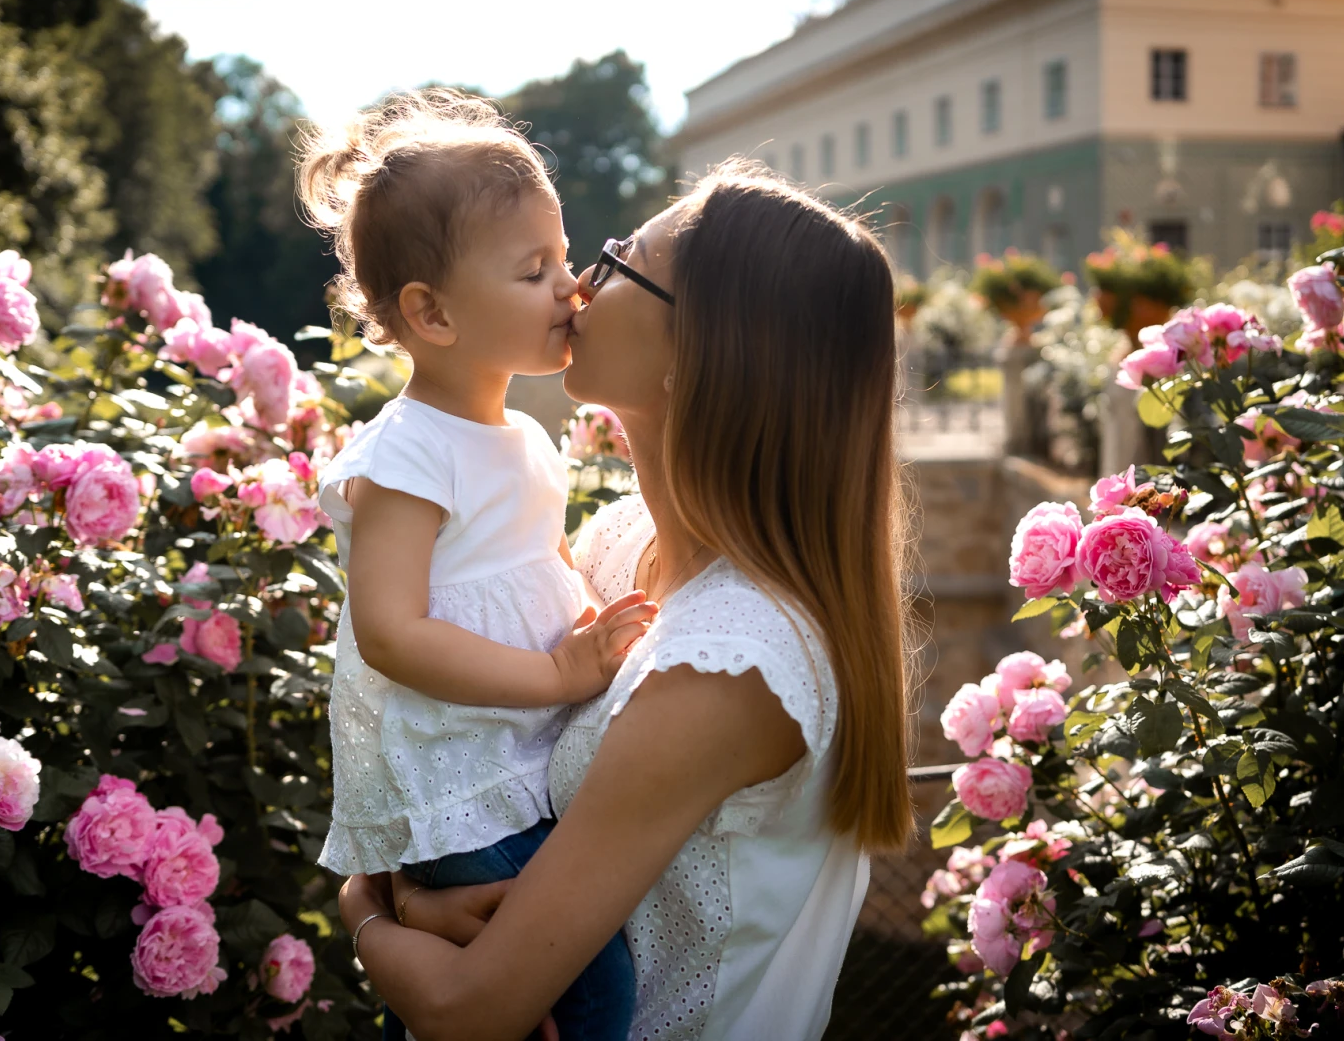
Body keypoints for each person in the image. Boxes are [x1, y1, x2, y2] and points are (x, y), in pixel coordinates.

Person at [339, 162, 917, 1041]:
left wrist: (367, 907)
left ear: (699, 354)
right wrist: (414, 900)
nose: (578, 285)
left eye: (617, 263)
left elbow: (467, 1008)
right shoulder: (620, 541)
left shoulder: (732, 660)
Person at [297, 90, 653, 1040]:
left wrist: (587, 617)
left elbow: (528, 572)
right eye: (535, 270)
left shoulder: (526, 444)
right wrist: (557, 672)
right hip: (460, 789)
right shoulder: (407, 454)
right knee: (589, 989)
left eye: (565, 259)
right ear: (433, 313)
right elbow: (390, 631)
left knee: (558, 977)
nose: (571, 289)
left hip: (521, 767)